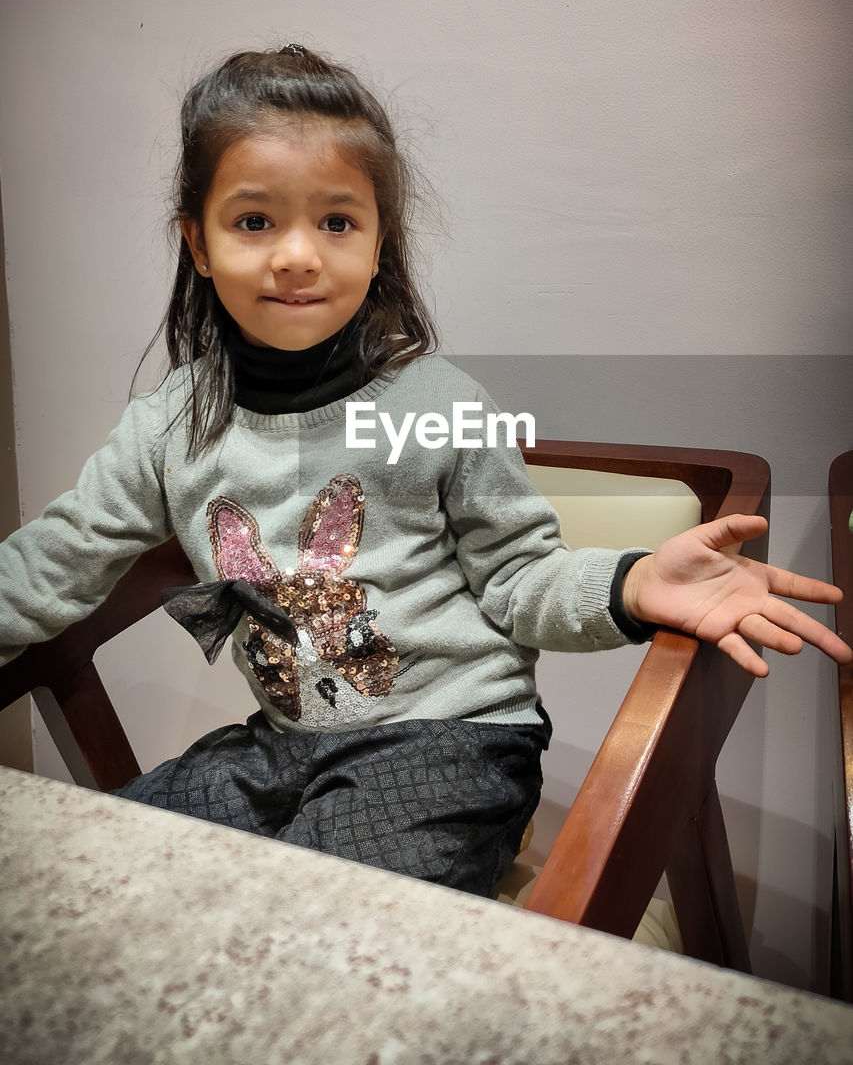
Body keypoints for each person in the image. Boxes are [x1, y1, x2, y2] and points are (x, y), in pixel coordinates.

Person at [0, 45, 848, 897]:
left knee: (324, 919)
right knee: (77, 873)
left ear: (377, 245)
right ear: (199, 242)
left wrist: (631, 584)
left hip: (452, 740)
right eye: (254, 221)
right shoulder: (168, 425)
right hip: (279, 741)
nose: (297, 255)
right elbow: (56, 558)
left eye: (336, 222)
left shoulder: (438, 402)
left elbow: (520, 578)